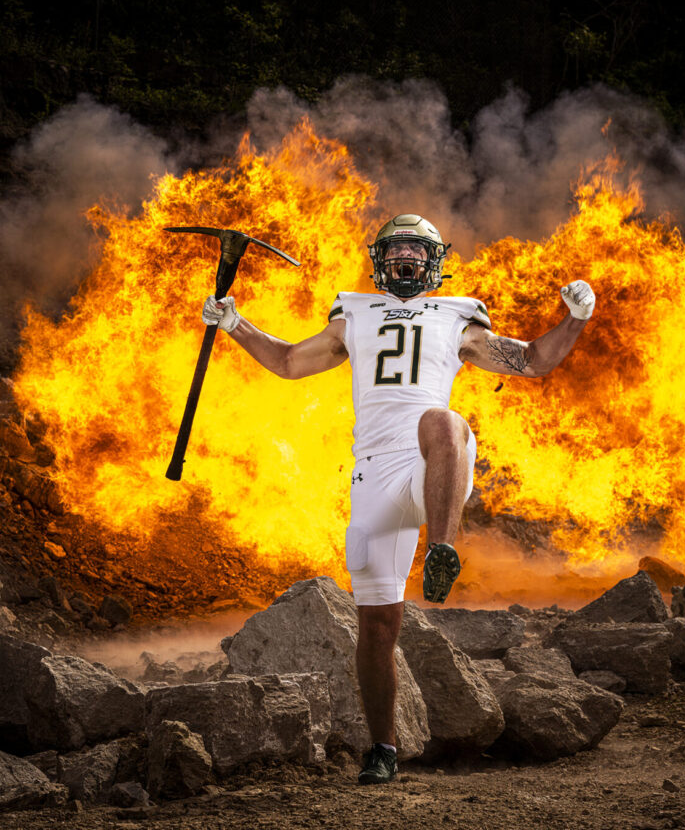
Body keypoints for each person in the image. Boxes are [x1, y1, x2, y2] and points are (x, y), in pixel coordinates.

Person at [202, 213, 595, 784]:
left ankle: (442, 548)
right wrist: (235, 324)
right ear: (379, 259)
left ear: (434, 261)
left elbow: (533, 360)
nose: (406, 259)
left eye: (416, 251)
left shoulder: (456, 314)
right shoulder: (353, 313)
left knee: (443, 420)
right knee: (377, 627)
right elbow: (289, 362)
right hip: (374, 477)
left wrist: (576, 319)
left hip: (434, 464)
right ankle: (382, 749)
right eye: (397, 251)